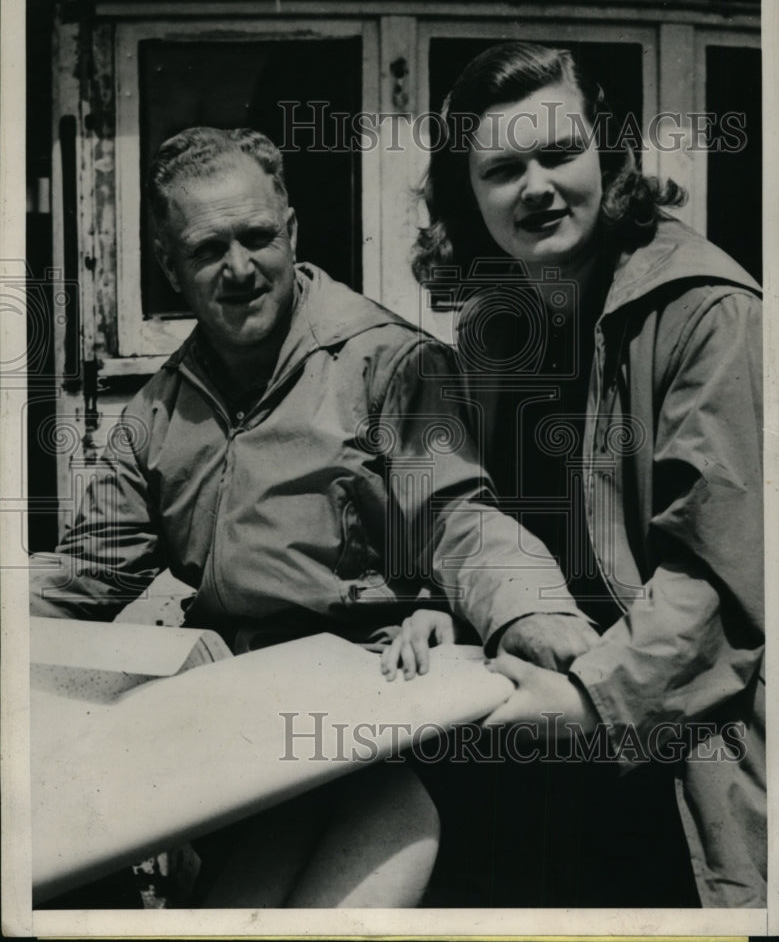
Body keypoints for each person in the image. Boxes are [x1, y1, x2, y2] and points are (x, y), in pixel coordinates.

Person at [29, 125, 600, 907]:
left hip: (381, 711)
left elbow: (456, 517)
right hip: (240, 733)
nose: (239, 270)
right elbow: (86, 572)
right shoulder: (157, 413)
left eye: (257, 237)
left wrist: (534, 610)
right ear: (169, 265)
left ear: (290, 231)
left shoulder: (388, 363)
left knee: (393, 831)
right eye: (206, 250)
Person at [387, 42, 765, 908]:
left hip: (670, 739)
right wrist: (435, 604)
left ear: (609, 156)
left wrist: (588, 704)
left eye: (559, 154)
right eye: (502, 168)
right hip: (527, 720)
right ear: (466, 195)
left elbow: (719, 570)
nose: (537, 187)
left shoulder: (709, 310)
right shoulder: (492, 325)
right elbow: (463, 504)